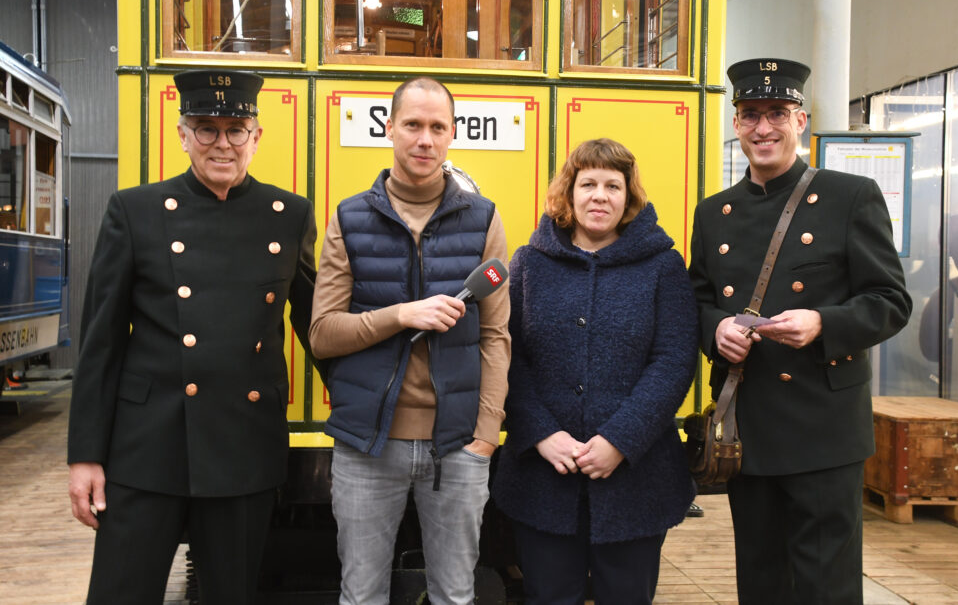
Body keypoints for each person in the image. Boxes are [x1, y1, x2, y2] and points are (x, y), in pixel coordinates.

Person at [67, 69, 323, 603]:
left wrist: (369, 403)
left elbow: (315, 325)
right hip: (147, 445)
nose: (222, 143)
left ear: (256, 137)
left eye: (235, 128)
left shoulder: (289, 215)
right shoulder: (134, 212)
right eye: (206, 128)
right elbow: (101, 342)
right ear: (182, 135)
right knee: (121, 593)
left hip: (243, 444)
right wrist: (85, 456)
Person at [688, 58, 913, 604]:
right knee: (761, 578)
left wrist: (823, 322)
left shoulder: (850, 196)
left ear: (801, 121)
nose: (763, 128)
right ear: (736, 125)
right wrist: (716, 329)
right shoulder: (715, 212)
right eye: (750, 115)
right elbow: (695, 300)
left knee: (825, 584)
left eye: (777, 114)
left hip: (824, 429)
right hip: (750, 427)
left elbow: (891, 301)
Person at [308, 76, 510, 605]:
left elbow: (495, 336)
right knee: (362, 597)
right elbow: (323, 335)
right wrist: (400, 314)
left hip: (458, 447)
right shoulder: (348, 219)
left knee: (455, 597)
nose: (425, 139)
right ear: (389, 129)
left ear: (452, 134)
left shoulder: (483, 218)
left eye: (437, 127)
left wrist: (486, 434)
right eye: (413, 125)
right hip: (366, 446)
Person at [492, 138, 699, 605]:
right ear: (568, 193)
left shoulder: (664, 266)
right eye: (587, 184)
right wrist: (542, 433)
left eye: (612, 185)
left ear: (629, 197)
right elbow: (507, 356)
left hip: (636, 480)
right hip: (542, 477)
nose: (599, 195)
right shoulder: (529, 263)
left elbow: (674, 360)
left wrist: (620, 440)